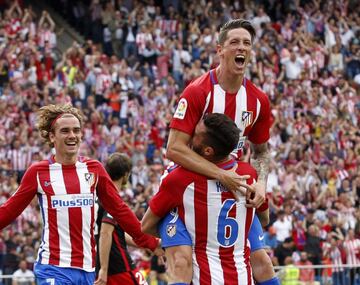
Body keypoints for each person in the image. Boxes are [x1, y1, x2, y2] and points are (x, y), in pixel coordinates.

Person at [163, 19, 279, 285]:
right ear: (220, 50)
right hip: (190, 187)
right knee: (182, 263)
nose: (242, 48)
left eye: (247, 43)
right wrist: (219, 174)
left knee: (262, 261)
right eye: (234, 42)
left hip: (230, 188)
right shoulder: (198, 91)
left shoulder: (258, 100)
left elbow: (261, 152)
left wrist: (261, 184)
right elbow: (174, 149)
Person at [0, 104, 161, 285]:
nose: (72, 136)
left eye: (76, 130)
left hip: (87, 270)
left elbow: (120, 210)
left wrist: (151, 242)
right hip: (53, 267)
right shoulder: (38, 172)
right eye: (65, 131)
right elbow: (9, 211)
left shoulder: (94, 169)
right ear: (52, 136)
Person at [142, 113, 257, 284]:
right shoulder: (249, 174)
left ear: (208, 150)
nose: (188, 135)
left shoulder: (180, 179)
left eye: (195, 135)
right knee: (262, 259)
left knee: (170, 218)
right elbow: (264, 217)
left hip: (204, 279)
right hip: (243, 279)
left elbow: (146, 225)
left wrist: (178, 233)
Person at [95, 152, 162, 285]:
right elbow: (105, 232)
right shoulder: (111, 199)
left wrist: (149, 245)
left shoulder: (98, 197)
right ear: (126, 175)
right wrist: (104, 268)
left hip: (101, 266)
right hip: (118, 266)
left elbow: (117, 234)